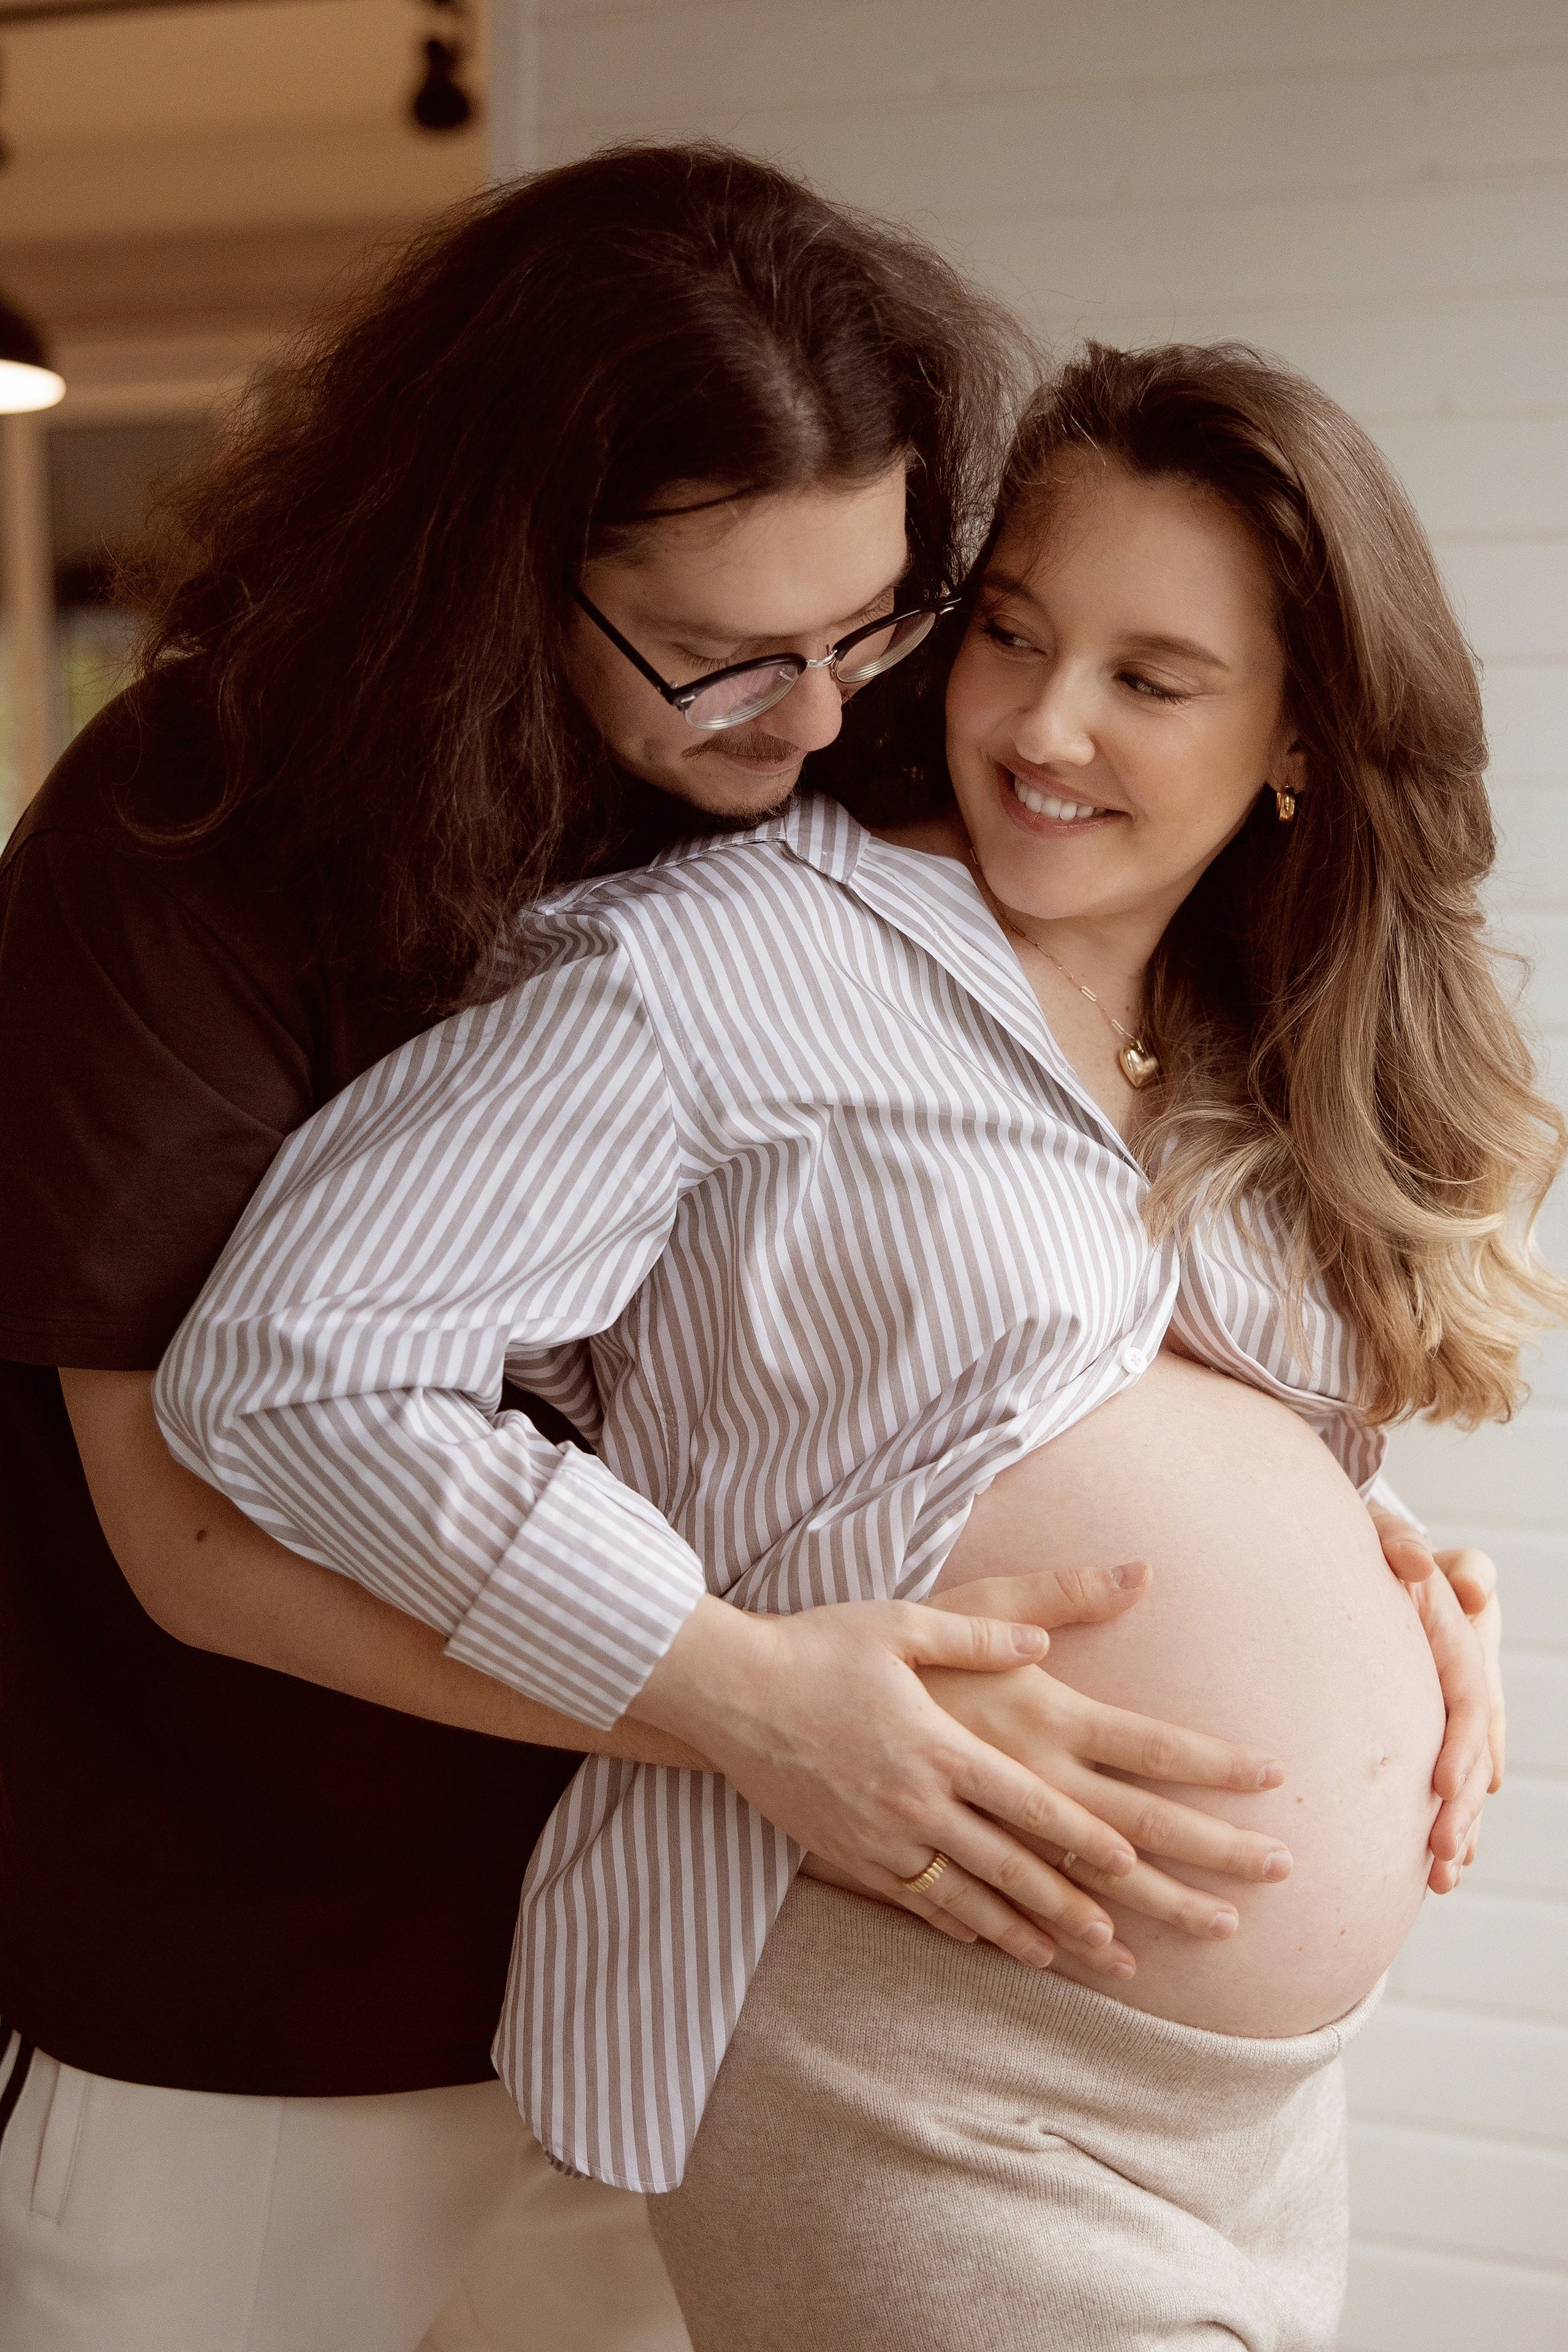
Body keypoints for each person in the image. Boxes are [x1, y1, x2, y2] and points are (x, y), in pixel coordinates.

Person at [0, 148, 1328, 2352]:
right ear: (490, 566)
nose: (813, 720)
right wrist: (742, 1705)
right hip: (271, 1985)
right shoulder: (190, 825)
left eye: (870, 625)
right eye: (718, 657)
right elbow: (191, 1536)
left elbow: (997, 1285)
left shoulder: (839, 782)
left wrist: (1349, 1552)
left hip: (696, 1990)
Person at [153, 342, 1551, 2350]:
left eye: (1152, 681)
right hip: (919, 2047)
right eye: (1014, 633)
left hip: (1256, 2123)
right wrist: (732, 1684)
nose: (1044, 724)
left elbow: (1055, 1397)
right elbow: (294, 1367)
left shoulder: (1250, 1033)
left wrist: (1396, 1577)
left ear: (1305, 740)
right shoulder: (720, 965)